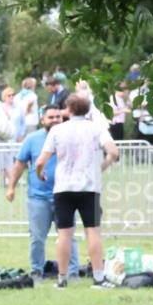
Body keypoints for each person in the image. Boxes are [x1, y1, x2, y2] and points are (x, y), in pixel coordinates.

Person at [36, 94, 119, 289]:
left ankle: (62, 279)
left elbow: (40, 161)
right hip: (89, 187)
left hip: (63, 188)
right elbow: (114, 152)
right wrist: (104, 164)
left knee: (64, 234)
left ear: (69, 110)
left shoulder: (57, 130)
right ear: (88, 109)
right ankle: (98, 278)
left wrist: (40, 174)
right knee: (93, 232)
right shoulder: (97, 128)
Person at [6, 107, 80, 280]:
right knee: (37, 238)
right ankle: (37, 271)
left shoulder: (71, 138)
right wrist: (11, 187)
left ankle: (72, 271)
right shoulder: (32, 139)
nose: (55, 119)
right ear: (42, 120)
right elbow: (19, 164)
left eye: (58, 117)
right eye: (51, 117)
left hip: (65, 196)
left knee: (68, 236)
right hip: (38, 197)